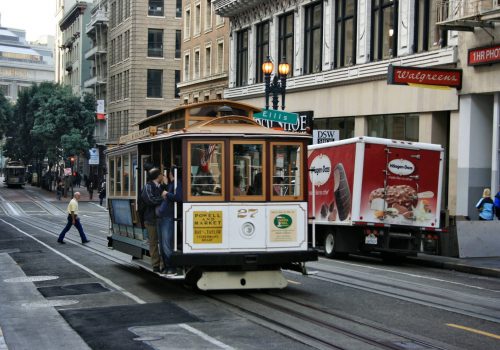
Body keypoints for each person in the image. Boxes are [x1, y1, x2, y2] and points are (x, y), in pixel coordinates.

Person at [157, 167, 183, 275]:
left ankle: (171, 266)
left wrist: (166, 194)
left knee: (167, 243)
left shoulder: (178, 183)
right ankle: (167, 266)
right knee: (163, 243)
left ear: (172, 174)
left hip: (168, 216)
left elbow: (179, 197)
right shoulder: (172, 183)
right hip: (163, 216)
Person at [141, 167, 167, 273]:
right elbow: (150, 200)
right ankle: (156, 265)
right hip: (151, 219)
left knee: (163, 242)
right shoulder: (148, 186)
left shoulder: (161, 186)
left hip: (162, 218)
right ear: (158, 176)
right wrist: (163, 198)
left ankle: (163, 264)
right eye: (161, 174)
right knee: (153, 242)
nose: (163, 176)